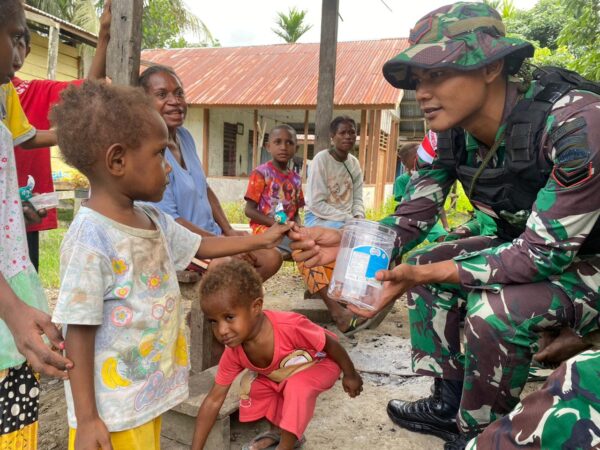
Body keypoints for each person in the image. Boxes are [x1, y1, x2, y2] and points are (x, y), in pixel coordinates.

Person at [290, 2, 600, 448]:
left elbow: (541, 254)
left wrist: (423, 273)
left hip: (587, 259)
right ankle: (449, 401)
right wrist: (348, 240)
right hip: (529, 246)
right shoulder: (449, 135)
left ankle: (480, 433)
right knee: (430, 260)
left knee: (494, 314)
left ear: (492, 67)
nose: (422, 92)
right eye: (417, 80)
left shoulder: (575, 122)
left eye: (437, 73)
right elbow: (412, 218)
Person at [49, 81, 290, 450]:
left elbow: (202, 245)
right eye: (160, 154)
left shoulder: (151, 219)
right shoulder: (90, 239)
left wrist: (262, 239)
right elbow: (77, 335)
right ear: (117, 161)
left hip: (147, 398)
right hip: (112, 415)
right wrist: (87, 420)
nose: (168, 167)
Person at [0, 1, 74, 448]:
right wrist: (14, 311)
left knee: (17, 426)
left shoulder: (2, 98)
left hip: (11, 285)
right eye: (14, 36)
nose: (21, 49)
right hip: (7, 303)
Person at [190, 259, 363, 450]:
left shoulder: (289, 326)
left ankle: (286, 445)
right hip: (284, 373)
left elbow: (330, 344)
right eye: (213, 321)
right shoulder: (234, 351)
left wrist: (350, 374)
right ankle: (278, 432)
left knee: (296, 387)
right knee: (255, 385)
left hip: (320, 364)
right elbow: (214, 399)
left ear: (255, 307)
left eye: (229, 317)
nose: (221, 330)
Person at [139, 65, 282, 281]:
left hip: (210, 235)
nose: (175, 101)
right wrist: (225, 244)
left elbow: (204, 189)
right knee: (230, 267)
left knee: (271, 257)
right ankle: (225, 309)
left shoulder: (185, 137)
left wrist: (229, 231)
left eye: (179, 93)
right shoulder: (147, 150)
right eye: (161, 95)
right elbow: (171, 221)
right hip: (180, 244)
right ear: (144, 102)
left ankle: (229, 309)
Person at [11, 0, 111, 271]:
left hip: (22, 214)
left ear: (28, 50)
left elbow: (87, 92)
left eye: (19, 41)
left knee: (23, 282)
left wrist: (103, 37)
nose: (14, 51)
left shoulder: (27, 92)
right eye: (10, 39)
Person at [244, 124, 305, 255]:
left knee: (309, 241)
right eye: (277, 142)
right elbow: (249, 210)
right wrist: (279, 225)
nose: (283, 147)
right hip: (265, 230)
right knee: (304, 247)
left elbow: (295, 214)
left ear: (296, 148)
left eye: (289, 143)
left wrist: (297, 227)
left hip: (287, 231)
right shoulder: (261, 173)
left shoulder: (296, 179)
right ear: (268, 147)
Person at [383, 137, 449, 244]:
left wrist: (446, 226)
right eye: (404, 162)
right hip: (411, 217)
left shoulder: (430, 175)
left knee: (442, 237)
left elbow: (439, 205)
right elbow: (402, 206)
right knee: (395, 238)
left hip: (429, 218)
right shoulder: (402, 180)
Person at [304, 115, 364, 228]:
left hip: (345, 220)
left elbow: (357, 198)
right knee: (348, 233)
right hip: (317, 217)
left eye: (352, 132)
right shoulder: (321, 160)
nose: (348, 137)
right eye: (342, 133)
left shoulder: (354, 163)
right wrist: (348, 219)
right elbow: (316, 204)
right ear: (332, 135)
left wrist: (359, 216)